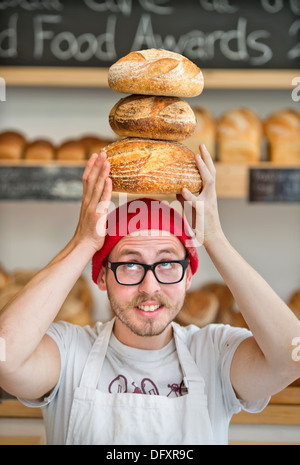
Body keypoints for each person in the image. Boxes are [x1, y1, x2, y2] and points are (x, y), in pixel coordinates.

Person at [0, 145, 299, 445]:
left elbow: (292, 357)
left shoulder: (214, 353)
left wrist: (215, 238)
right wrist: (83, 242)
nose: (150, 287)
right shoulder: (68, 353)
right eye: (130, 265)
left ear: (189, 277)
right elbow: (5, 355)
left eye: (167, 264)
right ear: (102, 276)